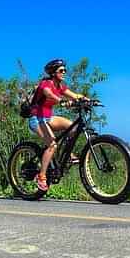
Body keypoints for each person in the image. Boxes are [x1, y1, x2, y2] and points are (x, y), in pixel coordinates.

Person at [28, 59, 88, 191]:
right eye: (61, 70)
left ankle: (68, 155)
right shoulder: (46, 83)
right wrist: (60, 101)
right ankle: (41, 176)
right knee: (52, 145)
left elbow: (74, 95)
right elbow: (48, 93)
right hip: (37, 119)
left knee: (73, 128)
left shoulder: (60, 86)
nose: (64, 72)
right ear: (53, 72)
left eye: (65, 70)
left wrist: (86, 100)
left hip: (49, 118)